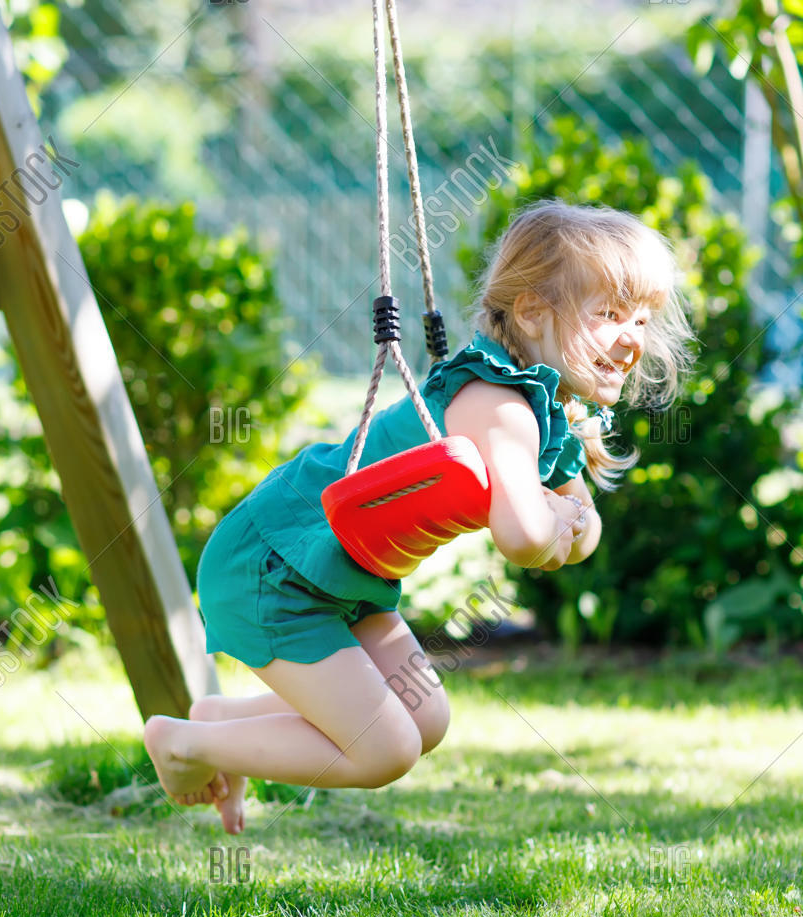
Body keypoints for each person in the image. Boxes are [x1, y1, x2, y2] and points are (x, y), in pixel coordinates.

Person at [144, 198, 696, 833]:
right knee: (387, 748)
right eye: (609, 315)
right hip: (276, 565)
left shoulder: (545, 410)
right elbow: (523, 538)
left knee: (425, 717)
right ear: (533, 311)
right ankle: (183, 743)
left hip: (344, 575)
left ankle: (219, 722)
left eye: (642, 319)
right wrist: (555, 519)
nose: (633, 339)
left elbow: (581, 528)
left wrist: (562, 519)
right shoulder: (499, 403)